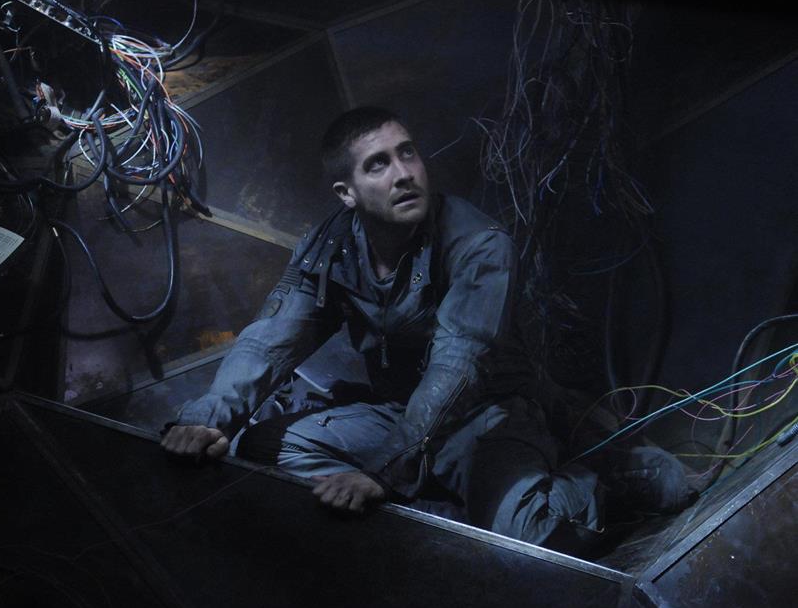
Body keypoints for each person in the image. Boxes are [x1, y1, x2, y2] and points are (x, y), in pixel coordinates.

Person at [161, 107, 692, 550]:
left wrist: (383, 471)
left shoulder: (478, 244)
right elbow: (272, 339)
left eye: (407, 153)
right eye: (378, 164)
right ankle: (444, 513)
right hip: (397, 414)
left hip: (486, 415)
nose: (404, 174)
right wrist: (210, 419)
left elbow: (457, 367)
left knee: (528, 537)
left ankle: (610, 478)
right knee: (262, 449)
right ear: (347, 193)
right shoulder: (331, 247)